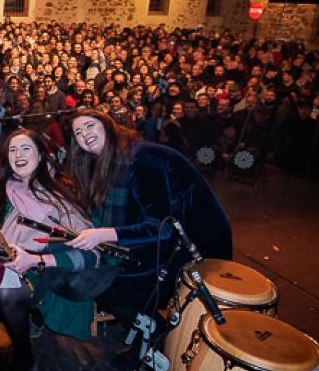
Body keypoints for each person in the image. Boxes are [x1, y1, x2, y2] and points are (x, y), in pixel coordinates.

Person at [63, 109, 233, 326]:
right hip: (163, 237)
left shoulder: (141, 159)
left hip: (195, 241)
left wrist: (104, 235)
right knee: (101, 279)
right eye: (78, 132)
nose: (84, 133)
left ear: (108, 126)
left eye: (89, 125)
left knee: (113, 289)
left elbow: (161, 227)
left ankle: (157, 339)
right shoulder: (109, 159)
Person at [0, 128, 104, 371]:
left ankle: (25, 360)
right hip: (20, 266)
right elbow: (7, 235)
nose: (18, 154)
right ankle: (30, 317)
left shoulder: (59, 198)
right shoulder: (11, 191)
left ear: (42, 157)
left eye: (26, 149)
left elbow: (94, 254)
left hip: (53, 274)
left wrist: (36, 260)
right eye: (13, 149)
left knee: (5, 294)